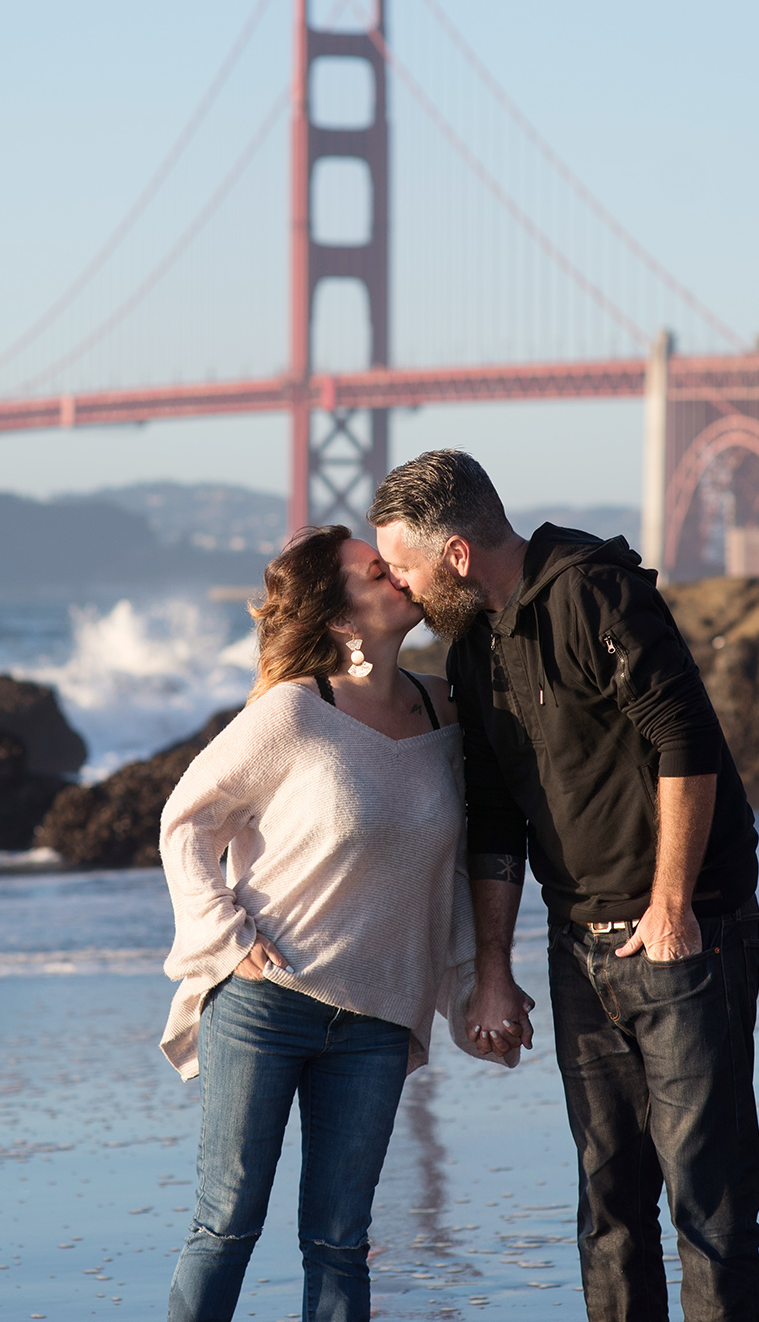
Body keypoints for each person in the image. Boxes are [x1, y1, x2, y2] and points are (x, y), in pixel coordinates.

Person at [370, 449, 759, 1322]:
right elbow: (496, 819)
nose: (397, 586)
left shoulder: (594, 588)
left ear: (458, 554)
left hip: (685, 933)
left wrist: (671, 907)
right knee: (608, 1209)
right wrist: (490, 969)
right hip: (576, 945)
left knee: (710, 1205)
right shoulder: (474, 647)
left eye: (403, 565)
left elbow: (685, 738)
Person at [158, 523, 516, 1322]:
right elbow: (185, 821)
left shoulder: (441, 710)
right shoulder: (294, 712)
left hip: (379, 1018)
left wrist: (475, 983)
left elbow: (448, 875)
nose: (395, 572)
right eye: (372, 570)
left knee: (340, 1240)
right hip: (266, 1001)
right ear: (341, 619)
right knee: (227, 1223)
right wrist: (227, 937)